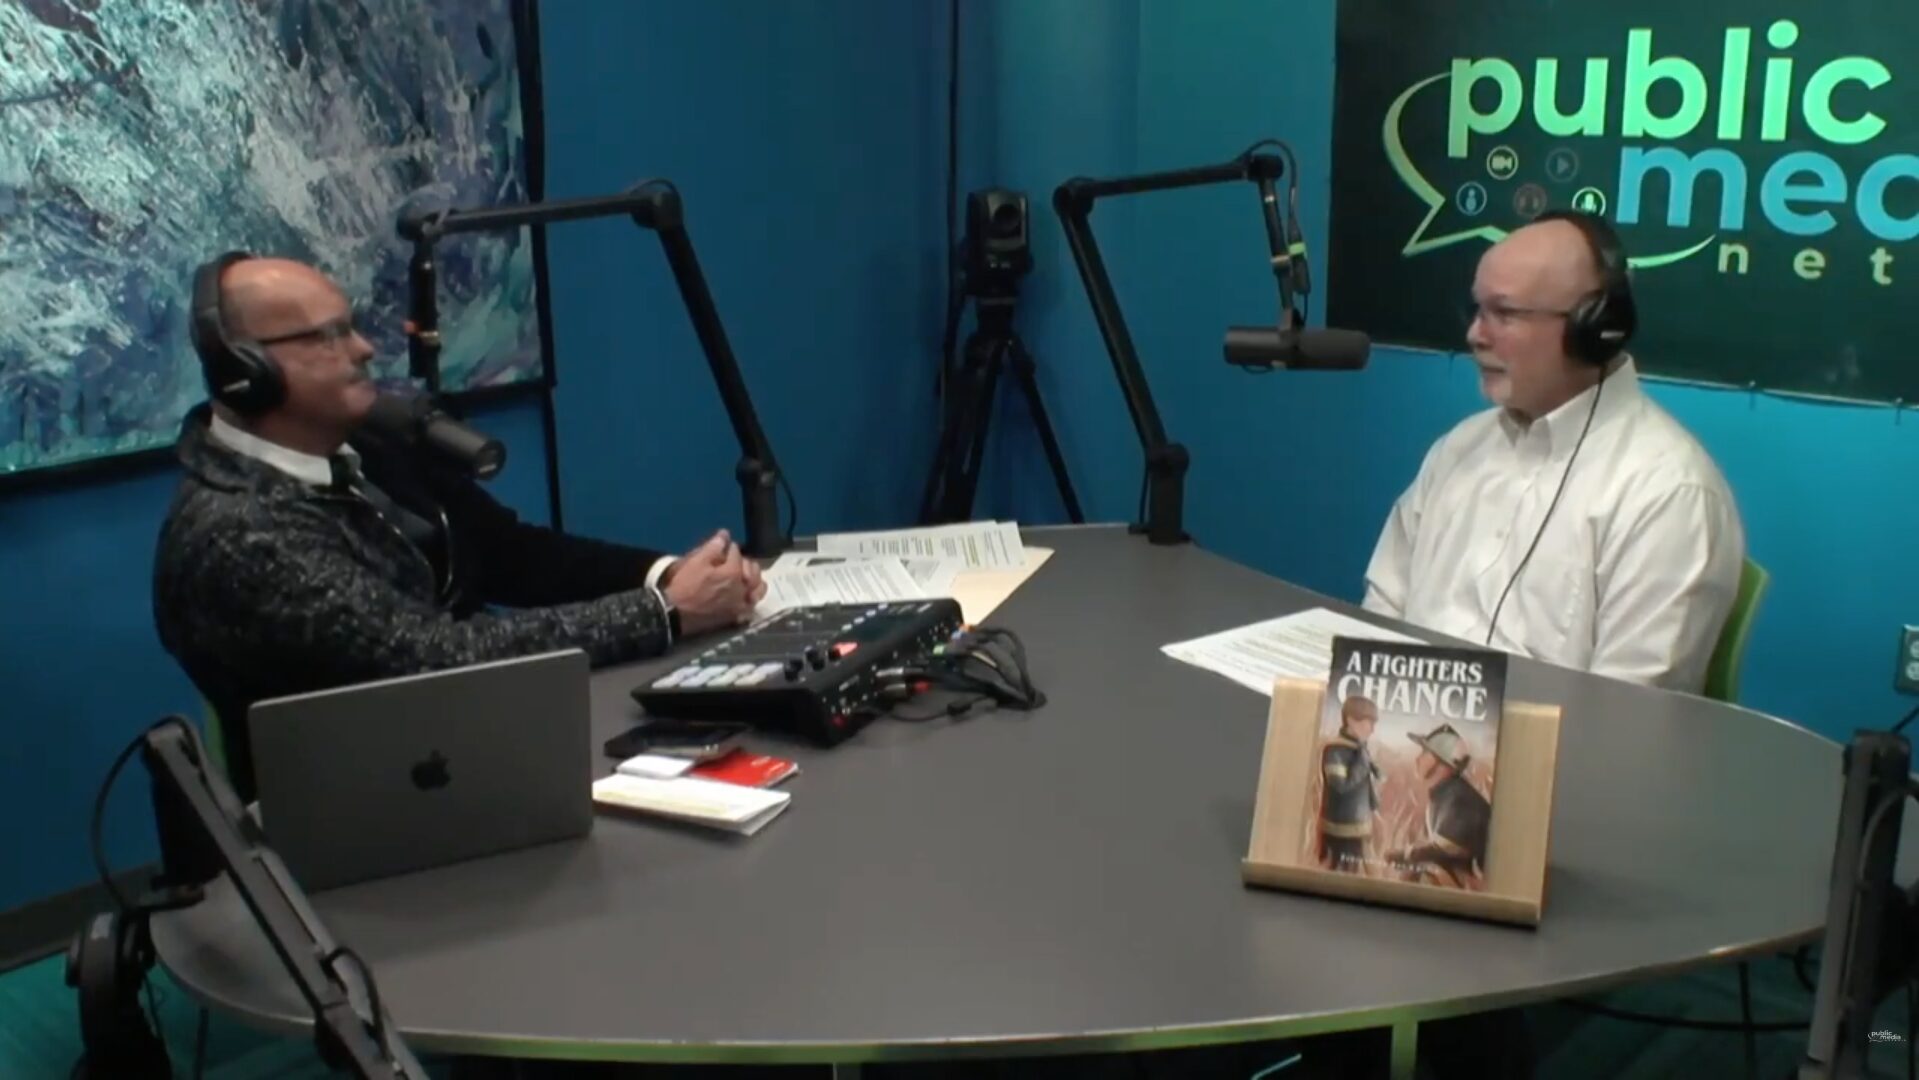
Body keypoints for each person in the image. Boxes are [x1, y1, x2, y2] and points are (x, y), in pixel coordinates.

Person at [153, 253, 765, 800]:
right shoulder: (237, 533)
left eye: (354, 324)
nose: (365, 348)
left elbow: (507, 552)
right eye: (329, 335)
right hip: (380, 806)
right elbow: (430, 659)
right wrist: (663, 612)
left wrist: (669, 576)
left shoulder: (360, 443)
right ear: (246, 370)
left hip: (467, 746)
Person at [1363, 210, 1745, 694]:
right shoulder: (1458, 448)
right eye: (1478, 310)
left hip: (1564, 763)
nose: (1475, 335)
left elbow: (1627, 713)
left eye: (1504, 313)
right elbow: (1382, 612)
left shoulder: (1669, 492)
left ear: (1595, 328)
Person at [1388, 724, 1491, 889]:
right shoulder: (1446, 794)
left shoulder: (1458, 799)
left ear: (1443, 761)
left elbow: (1445, 849)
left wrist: (1405, 854)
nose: (1418, 759)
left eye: (1425, 753)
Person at [1318, 694, 1381, 872]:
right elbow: (1340, 786)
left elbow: (1367, 782)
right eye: (1368, 723)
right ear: (1351, 720)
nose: (1372, 730)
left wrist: (1374, 805)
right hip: (1341, 830)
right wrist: (1362, 763)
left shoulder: (1360, 749)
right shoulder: (1335, 750)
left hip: (1360, 828)